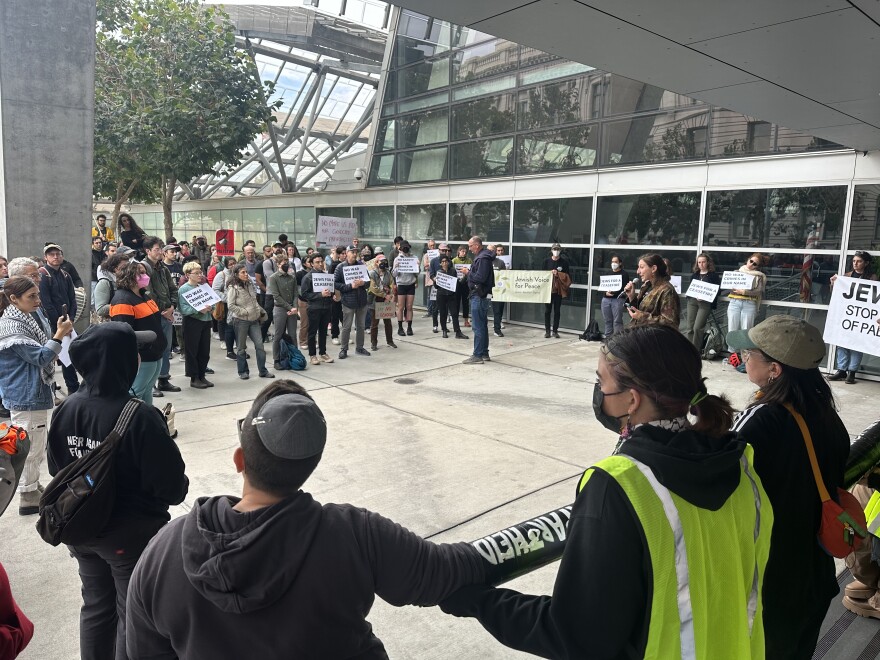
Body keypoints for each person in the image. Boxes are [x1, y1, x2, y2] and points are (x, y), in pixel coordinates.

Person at [441, 324, 772, 659]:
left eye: (602, 381)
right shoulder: (741, 464)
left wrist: (478, 601)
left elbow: (577, 635)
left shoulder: (618, 486)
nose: (599, 391)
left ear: (632, 398)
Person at [125, 380, 485, 659]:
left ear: (239, 460)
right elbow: (445, 570)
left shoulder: (162, 552)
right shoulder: (355, 536)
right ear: (309, 468)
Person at [47, 322, 188, 660]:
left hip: (79, 528)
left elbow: (56, 471)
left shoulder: (66, 408)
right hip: (128, 537)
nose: (139, 358)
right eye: (134, 352)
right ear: (122, 361)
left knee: (95, 606)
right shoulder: (139, 416)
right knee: (132, 614)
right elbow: (173, 488)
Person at [728, 316, 849, 659]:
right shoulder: (826, 413)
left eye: (750, 354)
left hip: (773, 576)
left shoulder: (762, 418)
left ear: (775, 370)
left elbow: (715, 469)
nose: (743, 358)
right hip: (815, 571)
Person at [0, 276, 73, 514]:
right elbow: (41, 357)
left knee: (35, 444)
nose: (38, 301)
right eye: (32, 296)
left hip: (31, 390)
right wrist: (59, 334)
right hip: (26, 393)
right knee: (30, 447)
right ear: (13, 299)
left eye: (38, 294)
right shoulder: (13, 326)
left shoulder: (25, 316)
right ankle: (27, 495)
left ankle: (31, 486)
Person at [109, 261, 167, 406]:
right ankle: (130, 424)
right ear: (129, 276)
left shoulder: (144, 296)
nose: (145, 276)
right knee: (136, 392)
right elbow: (123, 333)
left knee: (147, 390)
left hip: (155, 353)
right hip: (143, 356)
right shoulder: (122, 300)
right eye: (141, 273)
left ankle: (147, 421)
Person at [828, 250, 877, 383]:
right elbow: (837, 295)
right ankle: (841, 370)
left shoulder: (872, 278)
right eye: (854, 261)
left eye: (859, 261)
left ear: (866, 263)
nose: (855, 263)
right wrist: (833, 283)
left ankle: (852, 372)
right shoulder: (847, 276)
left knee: (857, 343)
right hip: (846, 315)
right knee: (841, 342)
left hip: (861, 317)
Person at [141, 236, 181, 396]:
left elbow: (173, 289)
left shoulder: (163, 268)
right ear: (148, 251)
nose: (160, 252)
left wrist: (172, 307)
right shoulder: (143, 268)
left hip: (167, 314)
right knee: (154, 348)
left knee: (166, 347)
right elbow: (147, 293)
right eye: (157, 249)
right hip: (153, 315)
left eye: (161, 249)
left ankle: (163, 379)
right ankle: (151, 383)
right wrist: (162, 311)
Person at [39, 242, 80, 394]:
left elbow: (72, 300)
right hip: (51, 325)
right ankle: (51, 392)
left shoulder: (66, 275)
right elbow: (46, 304)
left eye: (58, 254)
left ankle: (73, 389)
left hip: (67, 323)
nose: (55, 257)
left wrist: (71, 321)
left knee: (68, 357)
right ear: (46, 257)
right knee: (50, 358)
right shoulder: (43, 275)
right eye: (51, 254)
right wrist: (60, 327)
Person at [226, 263, 273, 381]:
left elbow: (254, 301)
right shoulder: (233, 287)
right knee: (241, 348)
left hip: (254, 320)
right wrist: (244, 312)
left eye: (246, 272)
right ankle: (243, 371)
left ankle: (263, 370)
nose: (246, 274)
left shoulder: (250, 284)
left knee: (260, 346)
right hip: (241, 321)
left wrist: (260, 311)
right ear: (236, 274)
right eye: (243, 272)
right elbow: (231, 305)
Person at [178, 261, 214, 389]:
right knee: (192, 350)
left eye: (201, 272)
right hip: (192, 322)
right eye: (197, 273)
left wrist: (210, 307)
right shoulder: (183, 289)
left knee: (204, 350)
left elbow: (212, 301)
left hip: (205, 321)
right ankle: (194, 377)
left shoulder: (203, 287)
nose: (200, 275)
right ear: (188, 275)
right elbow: (183, 309)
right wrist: (197, 310)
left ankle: (202, 374)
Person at [623, 253, 681, 327]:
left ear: (653, 269)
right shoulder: (646, 286)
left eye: (641, 267)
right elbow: (637, 313)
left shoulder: (667, 290)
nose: (638, 271)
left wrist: (642, 316)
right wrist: (631, 297)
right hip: (641, 333)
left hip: (654, 337)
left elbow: (671, 322)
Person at [462, 236, 495, 365]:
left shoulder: (482, 258)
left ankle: (477, 355)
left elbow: (480, 278)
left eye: (470, 246)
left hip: (479, 295)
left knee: (477, 326)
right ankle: (484, 353)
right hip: (482, 295)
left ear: (477, 245)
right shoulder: (484, 257)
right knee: (482, 325)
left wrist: (467, 273)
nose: (469, 249)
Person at [726, 253, 767, 355]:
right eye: (751, 261)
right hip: (734, 302)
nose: (751, 264)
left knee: (746, 331)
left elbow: (758, 291)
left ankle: (745, 356)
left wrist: (744, 292)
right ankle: (732, 354)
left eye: (755, 264)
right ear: (748, 260)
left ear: (758, 266)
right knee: (732, 329)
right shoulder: (737, 272)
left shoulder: (759, 276)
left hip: (749, 304)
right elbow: (728, 285)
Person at [335, 246, 371, 359]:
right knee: (347, 326)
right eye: (352, 252)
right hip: (348, 302)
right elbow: (335, 284)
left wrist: (362, 283)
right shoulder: (340, 267)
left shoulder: (361, 266)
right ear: (347, 253)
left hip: (361, 301)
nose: (355, 254)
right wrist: (350, 286)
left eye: (356, 252)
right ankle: (344, 349)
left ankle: (359, 347)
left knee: (361, 326)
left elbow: (368, 282)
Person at [300, 254, 334, 366]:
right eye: (317, 262)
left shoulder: (327, 276)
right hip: (314, 308)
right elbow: (304, 294)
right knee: (312, 332)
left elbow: (331, 289)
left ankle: (323, 353)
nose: (320, 264)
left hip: (326, 307)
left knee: (323, 332)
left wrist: (331, 293)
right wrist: (320, 295)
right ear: (312, 264)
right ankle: (312, 355)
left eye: (321, 261)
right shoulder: (308, 277)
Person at [683, 252, 722, 348]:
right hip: (692, 301)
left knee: (697, 327)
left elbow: (718, 291)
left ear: (708, 262)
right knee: (689, 327)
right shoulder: (695, 275)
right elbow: (691, 288)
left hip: (705, 304)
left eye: (703, 262)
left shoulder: (713, 276)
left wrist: (705, 296)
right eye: (699, 262)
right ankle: (689, 348)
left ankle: (696, 349)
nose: (701, 264)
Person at [266, 253, 298, 370]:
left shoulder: (292, 277)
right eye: (284, 263)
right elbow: (276, 296)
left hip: (292, 308)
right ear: (278, 264)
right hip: (280, 308)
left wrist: (294, 307)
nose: (286, 265)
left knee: (293, 334)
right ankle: (277, 359)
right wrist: (290, 308)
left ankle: (295, 356)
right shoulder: (274, 278)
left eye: (287, 262)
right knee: (278, 334)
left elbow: (295, 294)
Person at [367, 254, 397, 351]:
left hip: (386, 301)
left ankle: (390, 341)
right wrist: (385, 295)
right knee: (374, 324)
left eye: (385, 261)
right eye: (381, 261)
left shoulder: (388, 273)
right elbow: (373, 288)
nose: (383, 263)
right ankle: (374, 343)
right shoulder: (372, 274)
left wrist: (390, 295)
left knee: (388, 322)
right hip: (375, 300)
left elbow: (392, 285)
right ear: (376, 262)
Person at [434, 253, 467, 340]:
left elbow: (457, 283)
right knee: (443, 313)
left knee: (454, 314)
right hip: (441, 295)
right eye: (443, 261)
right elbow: (436, 287)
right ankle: (444, 329)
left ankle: (458, 332)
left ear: (448, 262)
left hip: (451, 295)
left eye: (446, 261)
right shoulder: (439, 272)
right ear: (440, 263)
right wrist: (435, 281)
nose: (445, 263)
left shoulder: (452, 271)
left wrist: (464, 277)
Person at [212, 256, 238, 360]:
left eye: (234, 263)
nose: (233, 266)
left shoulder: (238, 273)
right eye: (230, 264)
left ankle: (235, 343)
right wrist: (227, 299)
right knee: (224, 322)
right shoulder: (221, 275)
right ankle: (224, 342)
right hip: (225, 303)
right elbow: (215, 289)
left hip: (237, 303)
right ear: (226, 265)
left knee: (234, 324)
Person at [543, 243, 571, 338]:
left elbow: (567, 276)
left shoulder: (564, 262)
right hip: (548, 290)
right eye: (554, 249)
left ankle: (555, 330)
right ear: (551, 250)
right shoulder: (546, 261)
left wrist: (558, 274)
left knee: (557, 311)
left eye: (558, 249)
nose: (556, 251)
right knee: (547, 311)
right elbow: (541, 274)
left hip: (558, 291)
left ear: (560, 250)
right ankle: (547, 330)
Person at [94, 253, 132, 321]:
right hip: (111, 323)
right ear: (115, 269)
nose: (127, 269)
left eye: (128, 266)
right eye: (124, 267)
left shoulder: (127, 281)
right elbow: (100, 310)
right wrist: (123, 306)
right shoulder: (104, 283)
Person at [393, 241, 417, 337]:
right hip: (402, 284)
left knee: (409, 306)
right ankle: (400, 327)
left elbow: (417, 272)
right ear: (400, 249)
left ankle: (409, 327)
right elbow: (394, 274)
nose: (405, 249)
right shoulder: (397, 259)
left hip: (410, 284)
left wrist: (417, 266)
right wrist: (397, 267)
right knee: (401, 307)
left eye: (407, 247)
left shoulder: (414, 258)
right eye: (404, 248)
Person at [601, 253, 629, 336]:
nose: (613, 263)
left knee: (617, 320)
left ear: (620, 263)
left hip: (618, 300)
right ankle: (608, 337)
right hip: (606, 299)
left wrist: (613, 293)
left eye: (616, 262)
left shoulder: (624, 274)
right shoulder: (608, 273)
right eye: (612, 261)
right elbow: (603, 285)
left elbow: (624, 288)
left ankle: (617, 338)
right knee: (607, 320)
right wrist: (605, 292)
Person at [452, 245, 472, 327]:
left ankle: (466, 320)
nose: (464, 253)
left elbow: (472, 271)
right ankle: (455, 320)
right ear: (458, 251)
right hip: (456, 283)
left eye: (465, 252)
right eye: (462, 251)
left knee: (465, 302)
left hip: (465, 284)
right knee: (456, 302)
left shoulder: (469, 260)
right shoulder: (454, 260)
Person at [422, 238, 437, 321]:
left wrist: (430, 263)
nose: (432, 246)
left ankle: (436, 310)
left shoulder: (438, 254)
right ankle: (429, 311)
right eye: (431, 245)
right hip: (430, 277)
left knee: (437, 295)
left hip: (437, 277)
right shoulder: (426, 255)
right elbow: (426, 266)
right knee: (430, 295)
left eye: (433, 245)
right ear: (428, 246)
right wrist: (432, 263)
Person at [90, 235, 106, 306]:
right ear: (93, 244)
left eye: (100, 243)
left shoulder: (104, 254)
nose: (99, 244)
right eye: (96, 243)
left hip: (103, 278)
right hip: (94, 279)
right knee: (93, 298)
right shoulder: (90, 254)